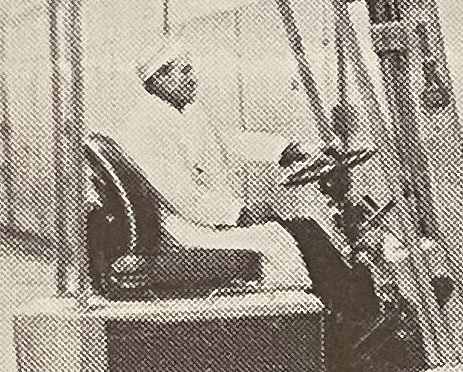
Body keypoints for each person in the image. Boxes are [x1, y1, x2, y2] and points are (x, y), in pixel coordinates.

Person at [115, 38, 323, 289]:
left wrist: (284, 150)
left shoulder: (186, 111)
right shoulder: (145, 127)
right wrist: (240, 213)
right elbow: (183, 198)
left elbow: (225, 141)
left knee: (304, 230)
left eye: (190, 70)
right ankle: (293, 309)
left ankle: (327, 302)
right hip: (185, 230)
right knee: (278, 240)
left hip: (204, 219)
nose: (192, 79)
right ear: (159, 79)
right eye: (184, 72)